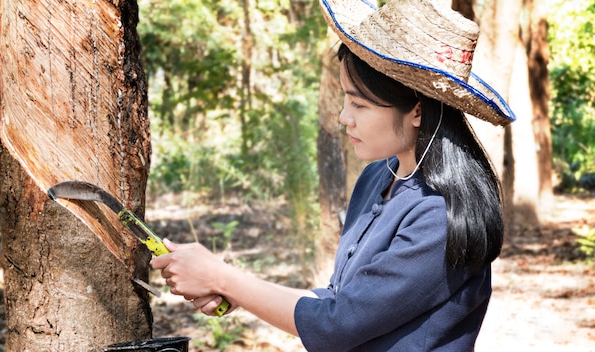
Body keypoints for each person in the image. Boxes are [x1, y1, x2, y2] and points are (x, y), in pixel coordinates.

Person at [150, 0, 516, 350]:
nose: (344, 117)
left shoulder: (439, 216)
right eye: (345, 99)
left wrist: (222, 278)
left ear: (417, 111)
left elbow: (336, 324)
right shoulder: (378, 178)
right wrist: (236, 289)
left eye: (359, 104)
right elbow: (341, 299)